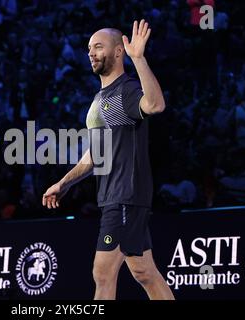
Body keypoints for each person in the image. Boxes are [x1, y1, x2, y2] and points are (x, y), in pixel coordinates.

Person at [42, 20, 175, 300]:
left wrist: (138, 59)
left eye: (98, 47)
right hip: (115, 195)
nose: (91, 52)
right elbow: (95, 154)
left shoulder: (125, 90)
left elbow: (155, 105)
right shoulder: (102, 97)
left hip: (125, 194)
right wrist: (64, 183)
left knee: (102, 273)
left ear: (118, 52)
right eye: (89, 48)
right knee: (143, 272)